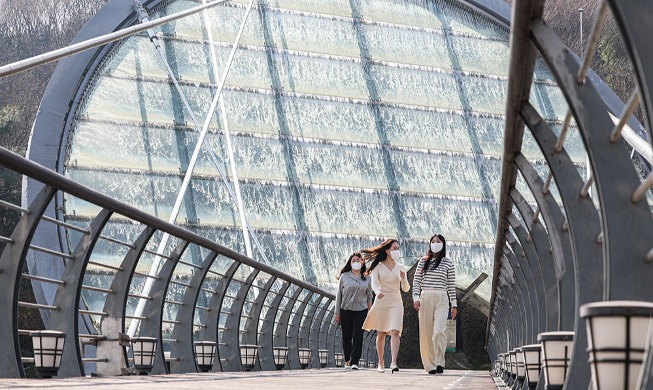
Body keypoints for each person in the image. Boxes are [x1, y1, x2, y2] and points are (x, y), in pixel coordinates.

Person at [361, 239, 410, 373]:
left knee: (395, 331)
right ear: (387, 251)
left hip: (396, 300)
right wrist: (378, 293)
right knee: (381, 332)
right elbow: (374, 284)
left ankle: (393, 362)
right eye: (394, 248)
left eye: (398, 248)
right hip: (382, 300)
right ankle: (381, 362)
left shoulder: (401, 267)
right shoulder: (378, 267)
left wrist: (404, 278)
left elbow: (405, 289)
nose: (397, 251)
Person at [412, 234, 457, 375]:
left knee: (439, 331)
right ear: (429, 244)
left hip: (442, 298)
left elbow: (451, 285)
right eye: (433, 241)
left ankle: (439, 361)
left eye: (438, 241)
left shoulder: (448, 263)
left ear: (443, 244)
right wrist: (415, 298)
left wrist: (454, 304)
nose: (435, 243)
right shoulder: (423, 261)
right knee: (426, 333)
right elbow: (416, 281)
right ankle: (430, 365)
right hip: (425, 297)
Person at [335, 252, 373, 370]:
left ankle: (354, 362)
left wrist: (369, 309)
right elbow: (339, 295)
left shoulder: (367, 278)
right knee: (346, 337)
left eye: (358, 260)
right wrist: (337, 313)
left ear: (362, 263)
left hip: (361, 310)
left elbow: (369, 295)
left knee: (358, 336)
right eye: (353, 261)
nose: (356, 262)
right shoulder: (344, 276)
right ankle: (347, 359)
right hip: (346, 309)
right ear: (350, 263)